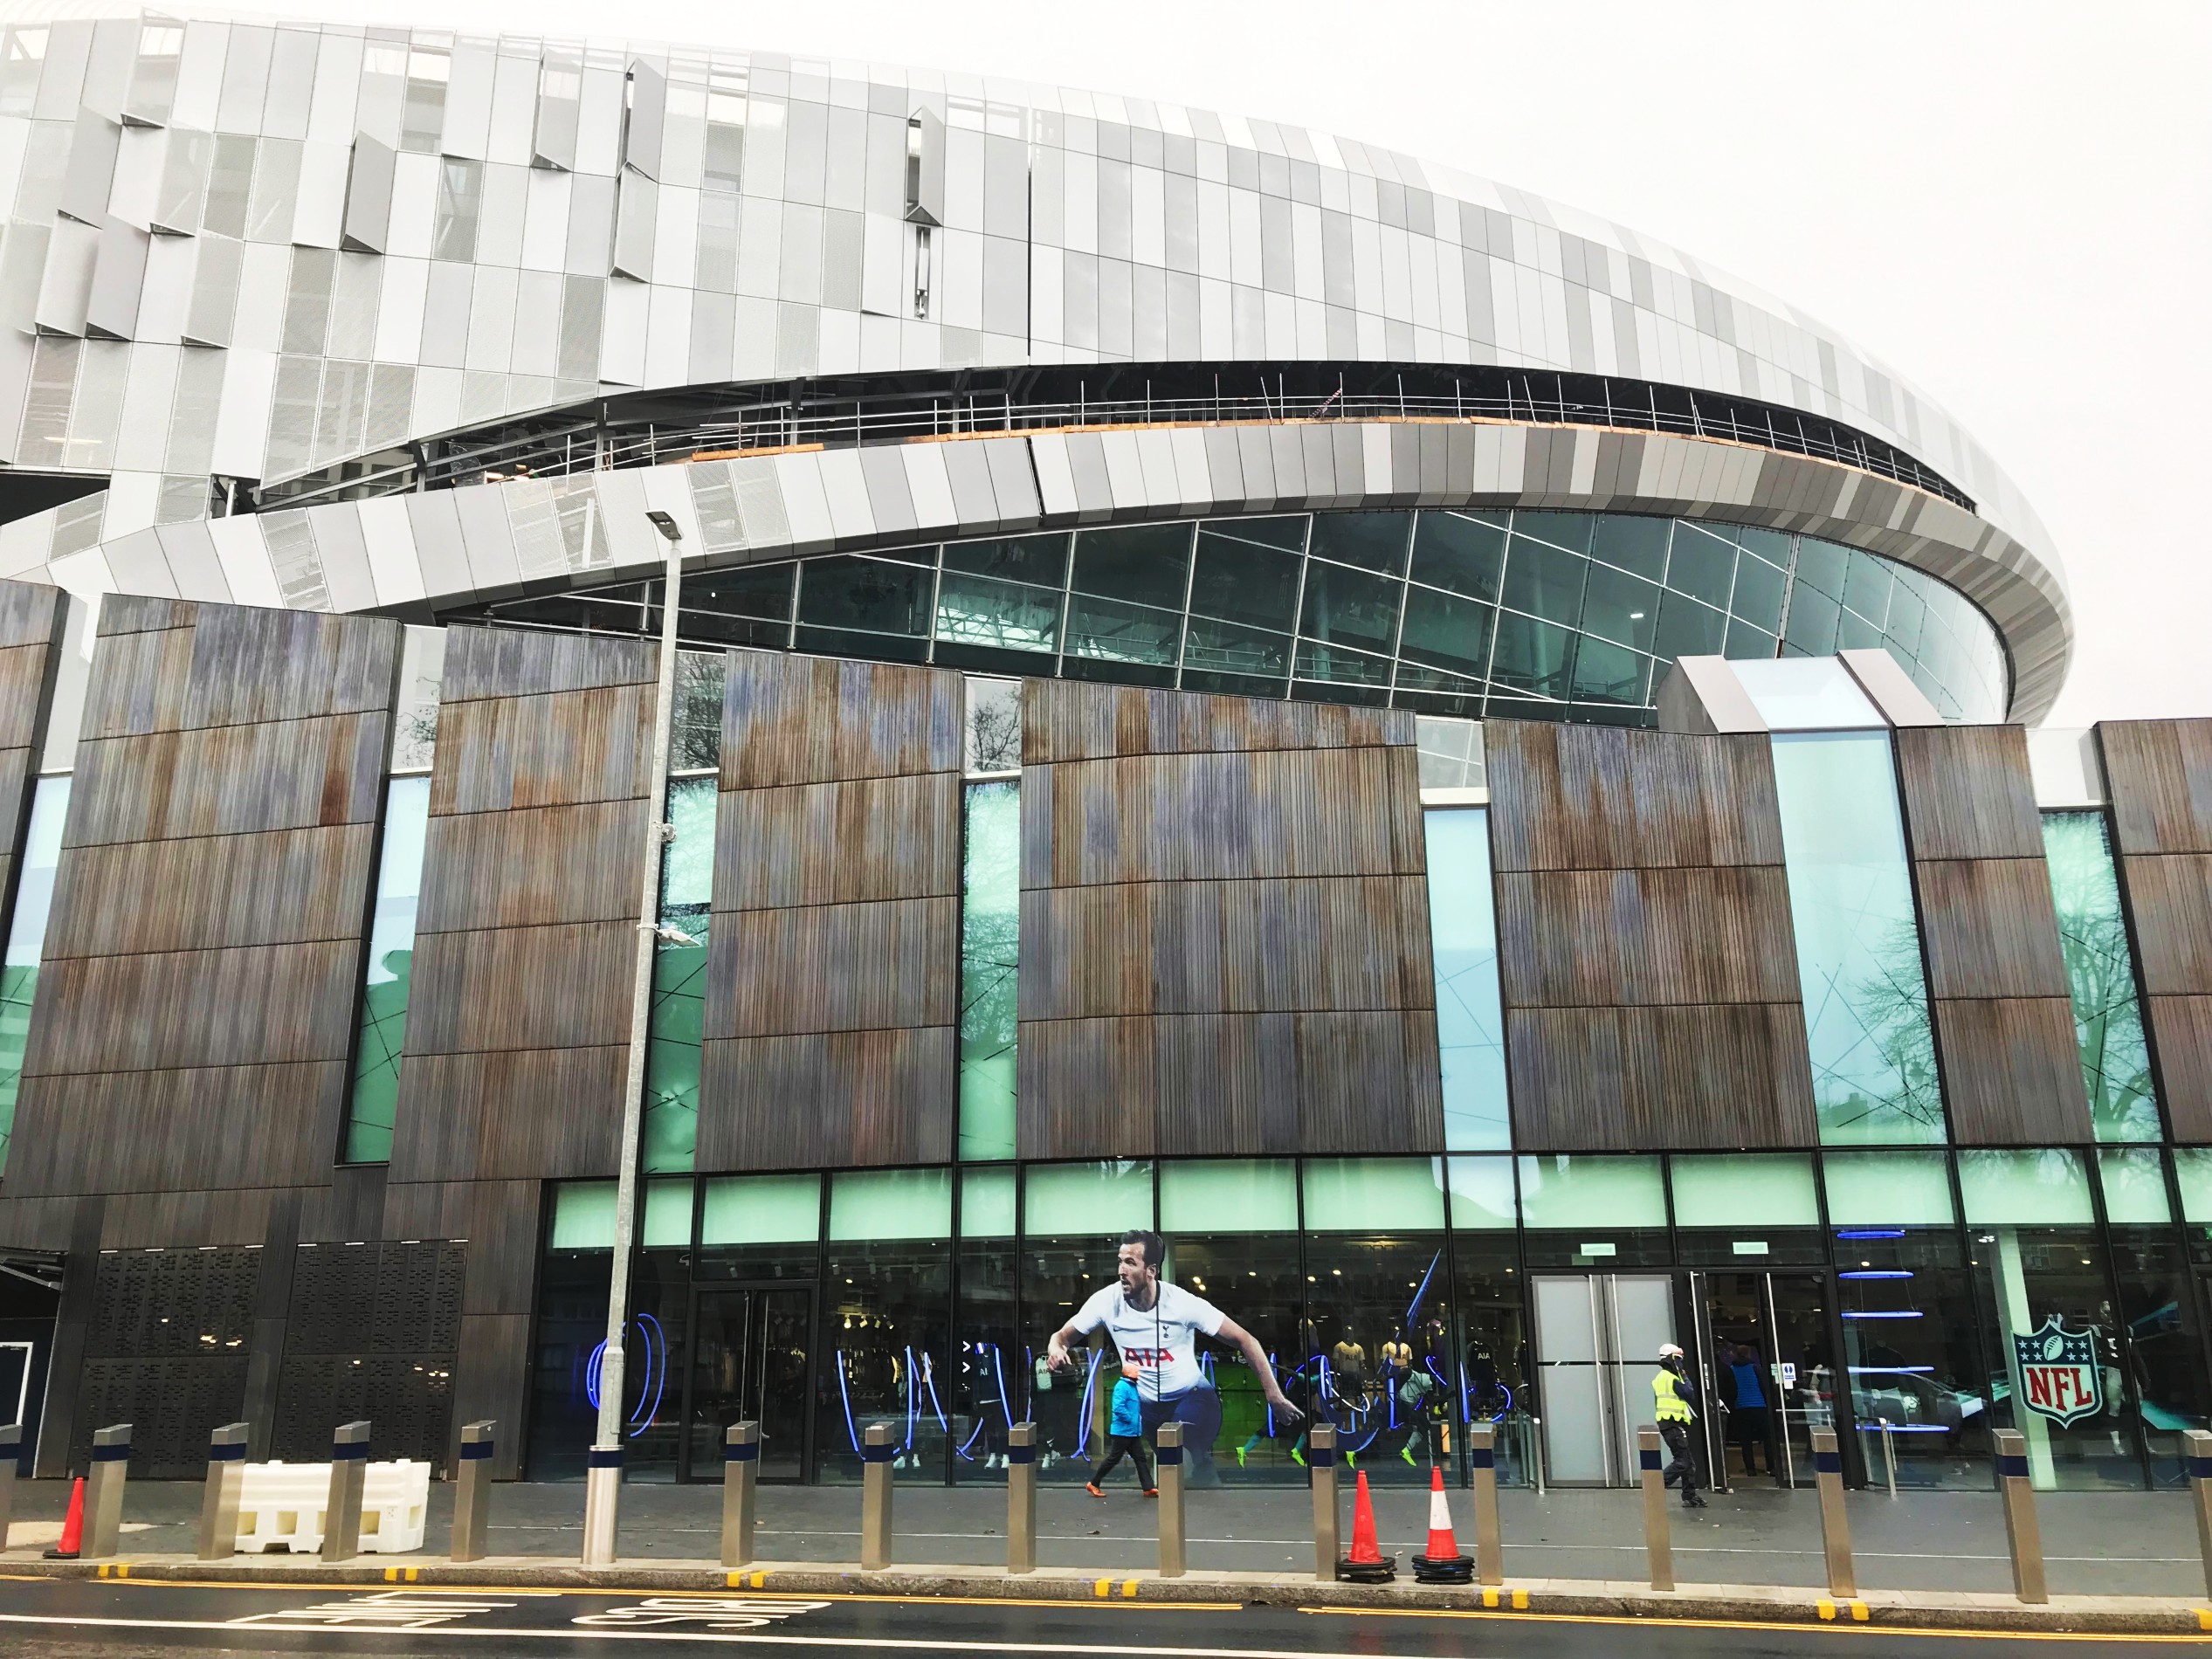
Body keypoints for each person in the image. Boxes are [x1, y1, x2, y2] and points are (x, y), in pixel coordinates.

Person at [1047, 1229, 1302, 1486]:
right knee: (1173, 1476)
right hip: (1148, 1407)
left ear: (1151, 1271)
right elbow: (1061, 1336)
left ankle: (1200, 1475)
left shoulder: (1182, 1304)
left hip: (1192, 1398)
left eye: (1130, 1263)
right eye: (1120, 1261)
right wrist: (1056, 1349)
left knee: (1180, 1462)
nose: (1121, 1270)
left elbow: (1245, 1340)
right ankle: (1200, 1483)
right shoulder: (1106, 1301)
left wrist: (1274, 1395)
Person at [1087, 1360, 1156, 1497]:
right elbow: (1118, 1408)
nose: (1139, 1374)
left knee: (1140, 1458)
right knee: (1114, 1458)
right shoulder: (1122, 1387)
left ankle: (1148, 1488)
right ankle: (1093, 1483)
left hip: (1132, 1432)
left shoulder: (1131, 1386)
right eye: (1136, 1371)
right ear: (1129, 1373)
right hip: (1123, 1432)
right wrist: (1131, 1420)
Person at [1653, 1342, 1707, 1508]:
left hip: (1671, 1423)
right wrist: (1684, 1375)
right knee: (1682, 1462)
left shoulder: (1661, 1378)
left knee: (1689, 1464)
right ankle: (1654, 1489)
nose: (1681, 1363)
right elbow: (1688, 1393)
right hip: (1672, 1424)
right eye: (1678, 1359)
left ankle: (1689, 1496)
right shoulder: (1672, 1378)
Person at [1726, 1343, 1772, 1477]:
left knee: (1745, 1441)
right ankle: (1772, 1468)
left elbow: (1731, 1389)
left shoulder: (1732, 1369)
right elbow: (1764, 1387)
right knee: (1767, 1438)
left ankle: (1750, 1469)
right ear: (1748, 1354)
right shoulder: (1755, 1368)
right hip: (1759, 1406)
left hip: (1741, 1407)